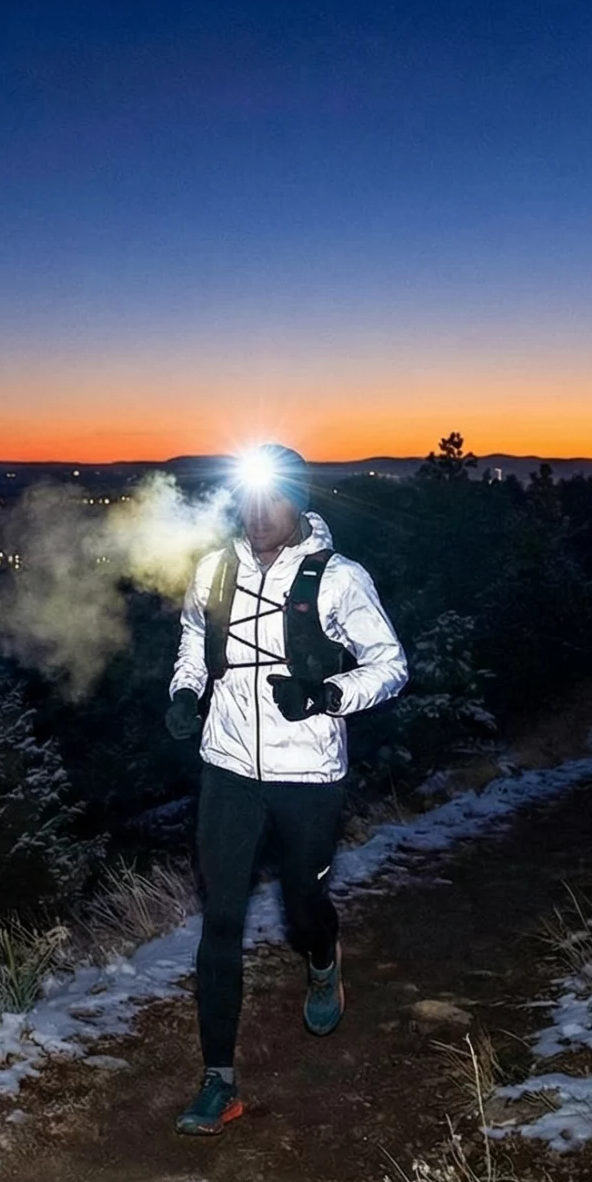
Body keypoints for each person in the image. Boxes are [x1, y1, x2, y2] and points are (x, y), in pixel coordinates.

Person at [162, 443, 408, 1136]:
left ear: (298, 500)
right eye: (247, 498)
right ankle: (219, 1081)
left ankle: (323, 958)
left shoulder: (339, 578)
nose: (257, 513)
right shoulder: (212, 572)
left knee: (304, 904)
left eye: (273, 499)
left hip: (309, 775)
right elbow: (191, 640)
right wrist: (186, 692)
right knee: (222, 922)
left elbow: (391, 666)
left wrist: (326, 694)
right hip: (228, 769)